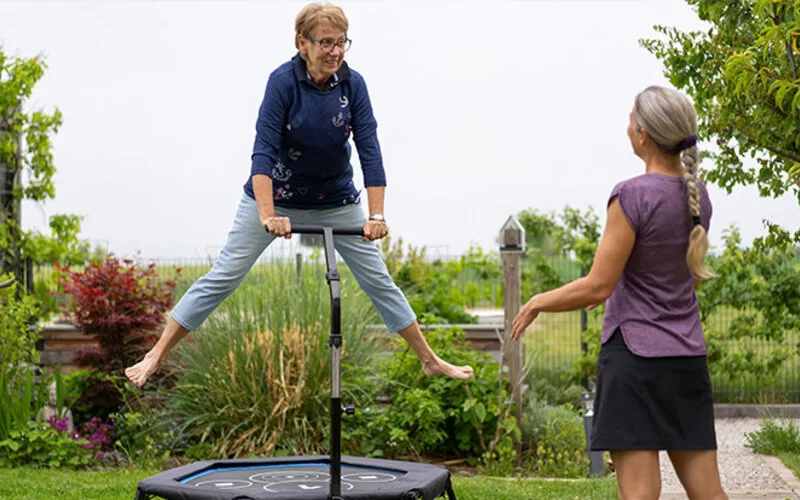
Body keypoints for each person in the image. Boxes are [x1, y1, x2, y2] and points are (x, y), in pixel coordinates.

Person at [126, 2, 473, 388]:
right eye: (326, 42)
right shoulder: (282, 82)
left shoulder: (353, 85)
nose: (336, 52)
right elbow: (263, 151)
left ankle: (428, 359)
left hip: (336, 199)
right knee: (225, 274)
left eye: (342, 42)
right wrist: (267, 215)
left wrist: (375, 216)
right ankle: (155, 354)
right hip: (276, 198)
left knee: (378, 279)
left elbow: (370, 150)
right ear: (301, 43)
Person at [511, 86, 727, 500]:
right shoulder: (698, 198)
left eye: (631, 117)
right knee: (709, 492)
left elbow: (598, 284)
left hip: (634, 362)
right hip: (686, 359)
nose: (627, 125)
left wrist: (538, 301)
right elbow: (681, 276)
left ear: (643, 134)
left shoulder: (631, 194)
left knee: (641, 494)